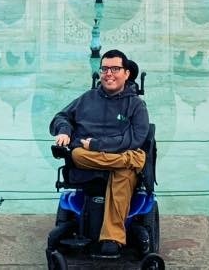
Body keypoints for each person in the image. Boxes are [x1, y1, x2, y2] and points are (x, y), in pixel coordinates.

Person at [50, 49, 149, 258]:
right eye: (105, 69)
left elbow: (135, 139)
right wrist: (65, 131)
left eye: (115, 69)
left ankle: (111, 239)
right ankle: (130, 160)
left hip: (99, 158)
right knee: (78, 155)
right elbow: (60, 117)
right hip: (90, 161)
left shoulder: (136, 105)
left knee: (122, 173)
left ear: (126, 73)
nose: (109, 74)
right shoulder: (87, 98)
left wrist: (96, 145)